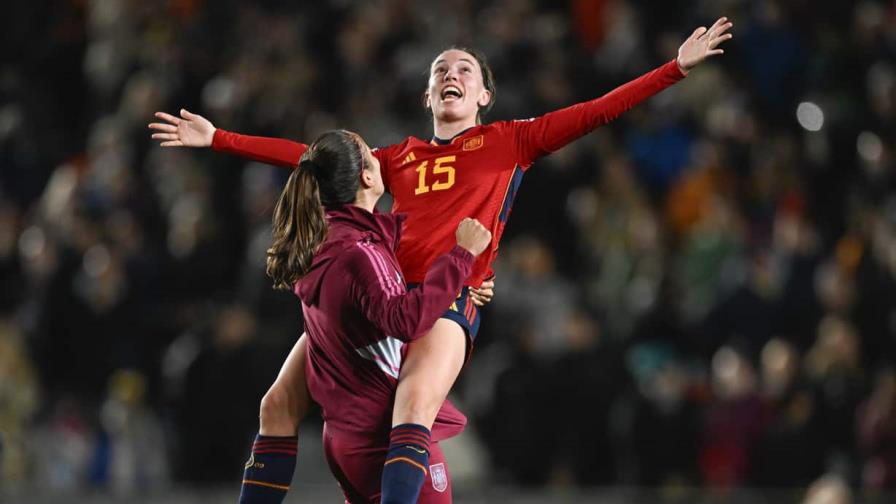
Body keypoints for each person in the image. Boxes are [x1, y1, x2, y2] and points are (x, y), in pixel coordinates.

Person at [150, 17, 733, 503]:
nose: (450, 74)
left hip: (443, 299)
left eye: (465, 70)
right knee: (276, 403)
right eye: (439, 71)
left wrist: (674, 68)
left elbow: (597, 111)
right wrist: (221, 137)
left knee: (412, 404)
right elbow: (314, 159)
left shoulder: (512, 141)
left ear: (483, 95)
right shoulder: (397, 156)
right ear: (428, 95)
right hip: (373, 296)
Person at [258, 128, 491, 503]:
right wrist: (462, 258)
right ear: (367, 176)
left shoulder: (326, 242)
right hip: (384, 442)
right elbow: (405, 320)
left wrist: (461, 282)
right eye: (371, 153)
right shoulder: (360, 252)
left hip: (343, 440)